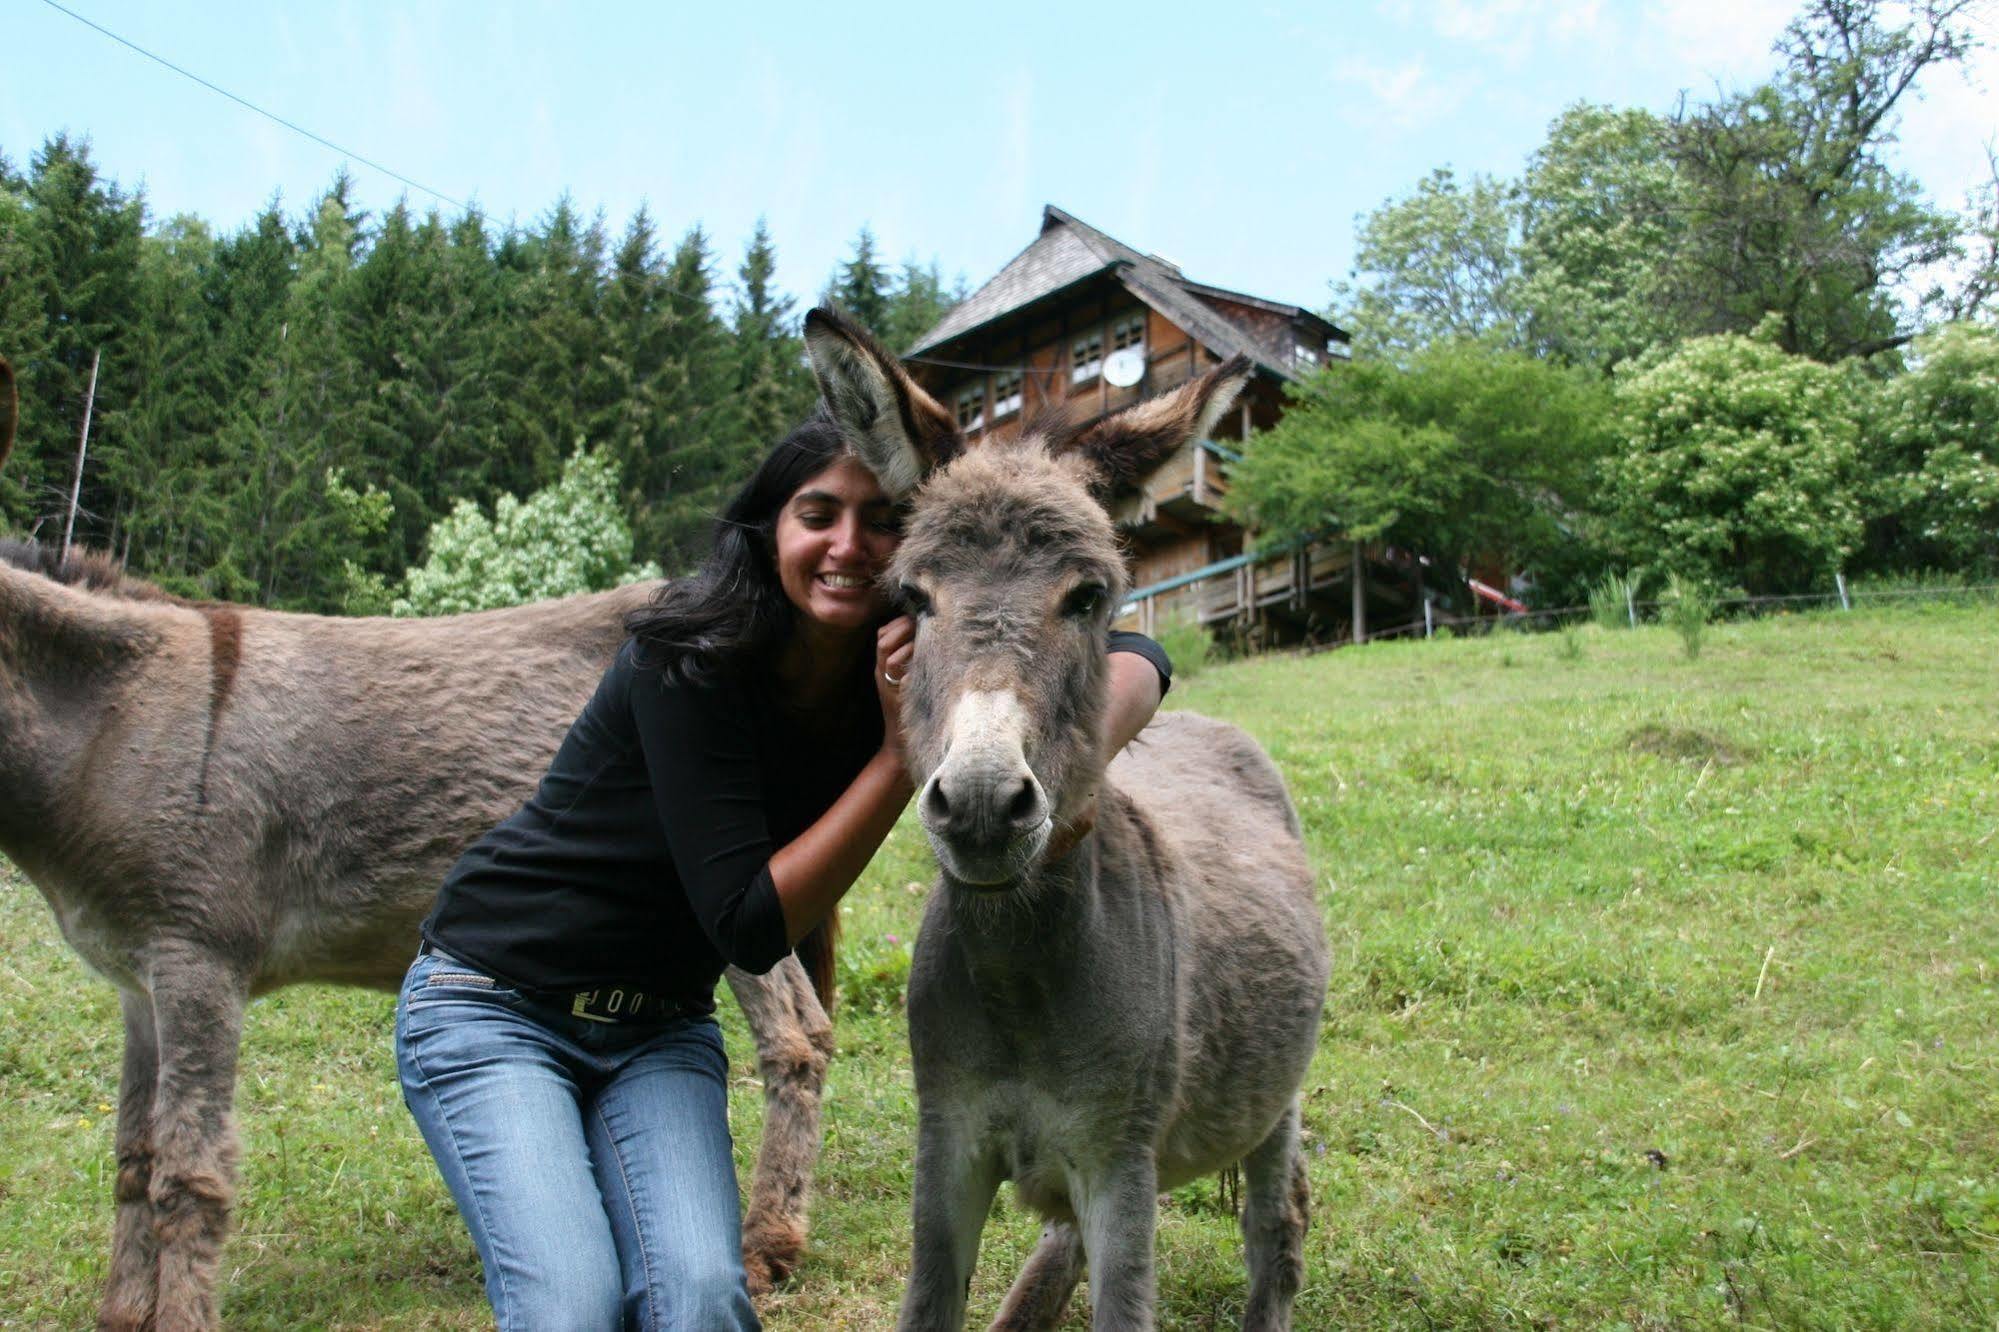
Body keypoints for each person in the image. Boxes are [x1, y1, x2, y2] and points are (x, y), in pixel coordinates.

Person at [394, 411, 1172, 1332]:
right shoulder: (684, 659)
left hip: (655, 1030)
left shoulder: (899, 646)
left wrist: (1066, 779)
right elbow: (750, 927)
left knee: (700, 1302)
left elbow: (1138, 654)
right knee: (572, 1308)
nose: (847, 546)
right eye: (816, 515)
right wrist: (893, 758)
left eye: (878, 520)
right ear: (770, 531)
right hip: (495, 1003)